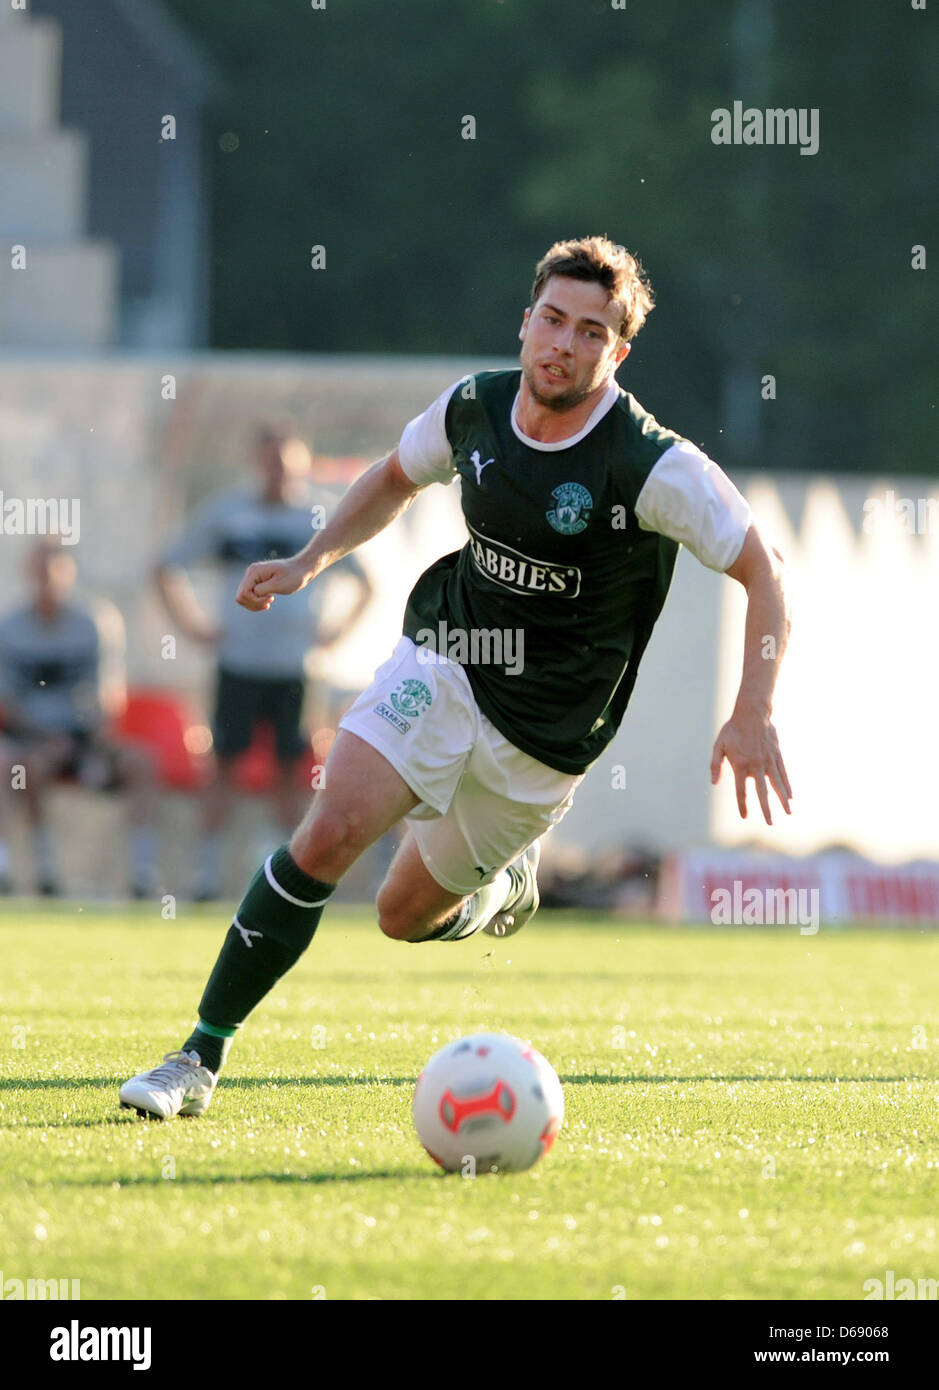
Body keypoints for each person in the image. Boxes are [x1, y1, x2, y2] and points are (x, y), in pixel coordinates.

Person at [120, 235, 792, 1119]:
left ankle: (506, 883)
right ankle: (197, 1058)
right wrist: (311, 559)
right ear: (525, 323)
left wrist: (751, 711)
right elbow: (394, 476)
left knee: (399, 916)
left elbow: (764, 572)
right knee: (328, 835)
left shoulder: (650, 465)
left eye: (590, 332)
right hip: (447, 662)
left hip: (546, 738)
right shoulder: (474, 408)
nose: (563, 342)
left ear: (616, 352)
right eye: (551, 319)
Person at [154, 428, 374, 899]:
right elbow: (166, 566)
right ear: (258, 463)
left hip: (294, 667)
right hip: (239, 664)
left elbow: (365, 580)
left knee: (292, 771)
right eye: (271, 462)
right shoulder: (228, 514)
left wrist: (334, 632)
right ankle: (206, 876)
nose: (278, 473)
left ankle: (284, 875)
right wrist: (192, 627)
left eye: (287, 464)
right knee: (224, 767)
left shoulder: (317, 516)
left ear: (302, 464)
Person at [0, 540, 158, 897]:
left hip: (85, 737)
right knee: (18, 766)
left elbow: (107, 695)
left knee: (141, 764)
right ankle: (36, 872)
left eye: (55, 570)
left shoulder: (94, 623)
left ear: (70, 572)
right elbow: (9, 701)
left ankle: (141, 875)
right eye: (40, 571)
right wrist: (44, 739)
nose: (48, 580)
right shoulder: (9, 628)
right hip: (30, 740)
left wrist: (85, 742)